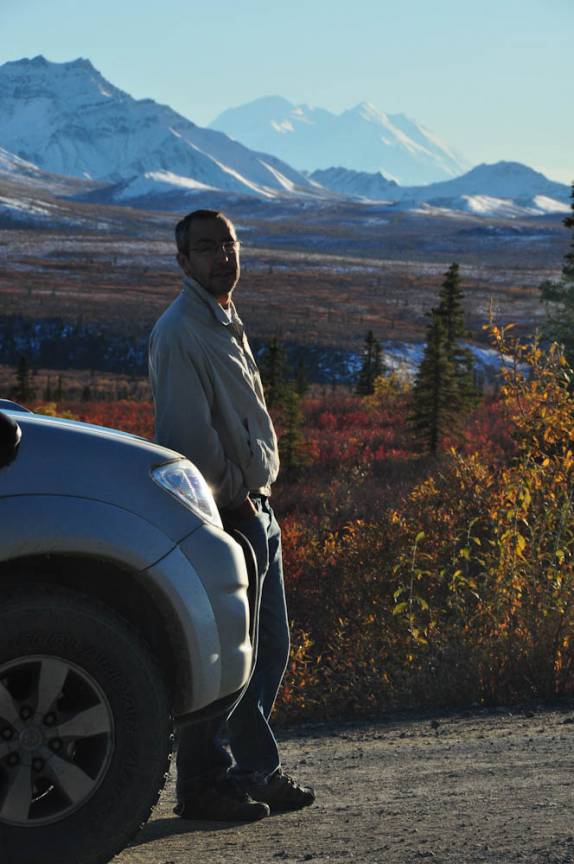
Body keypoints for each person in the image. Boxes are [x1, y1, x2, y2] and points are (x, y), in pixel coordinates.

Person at [148, 209, 315, 822]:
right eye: (207, 248)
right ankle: (207, 783)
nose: (223, 256)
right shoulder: (181, 330)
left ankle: (244, 772)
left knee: (269, 647)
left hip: (254, 508)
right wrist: (239, 502)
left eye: (230, 243)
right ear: (182, 260)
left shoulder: (222, 320)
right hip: (228, 513)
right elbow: (188, 436)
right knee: (228, 654)